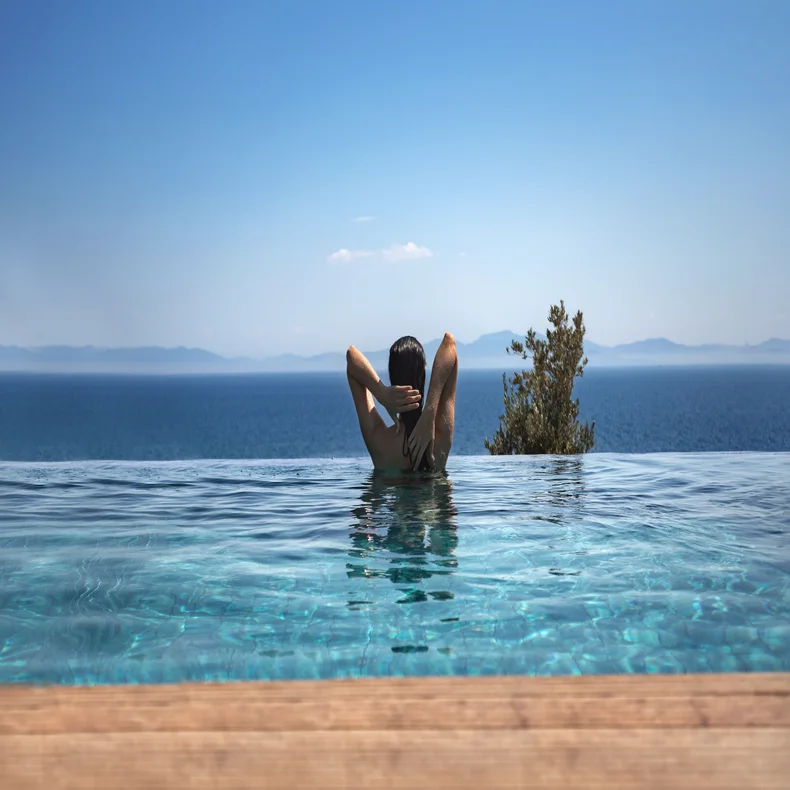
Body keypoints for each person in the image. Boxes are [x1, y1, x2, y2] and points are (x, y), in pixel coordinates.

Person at [346, 333, 457, 471]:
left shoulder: (378, 440)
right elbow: (449, 342)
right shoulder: (440, 436)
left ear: (391, 377)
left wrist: (382, 393)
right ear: (423, 375)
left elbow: (351, 357)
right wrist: (430, 410)